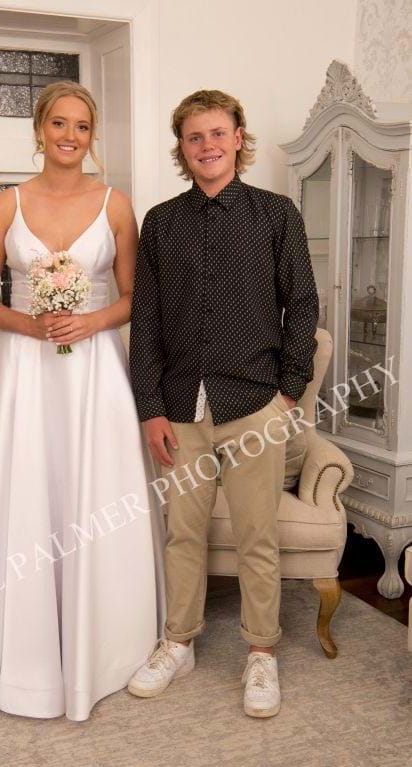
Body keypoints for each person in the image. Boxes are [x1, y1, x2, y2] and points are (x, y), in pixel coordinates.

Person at [0, 80, 165, 721]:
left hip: (95, 372)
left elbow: (136, 298)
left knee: (97, 493)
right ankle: (18, 659)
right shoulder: (5, 205)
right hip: (24, 373)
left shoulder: (116, 205)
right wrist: (30, 324)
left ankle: (106, 649)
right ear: (39, 130)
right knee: (26, 489)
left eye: (82, 127)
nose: (70, 136)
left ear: (92, 138)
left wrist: (89, 322)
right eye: (59, 124)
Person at [127, 89, 318, 718]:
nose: (207, 145)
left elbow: (302, 305)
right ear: (182, 148)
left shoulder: (276, 214)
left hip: (255, 404)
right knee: (182, 532)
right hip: (181, 409)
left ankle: (260, 653)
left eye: (217, 133)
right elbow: (146, 322)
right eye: (194, 137)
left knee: (258, 535)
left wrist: (288, 391)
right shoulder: (161, 222)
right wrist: (151, 407)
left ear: (238, 138)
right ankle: (178, 643)